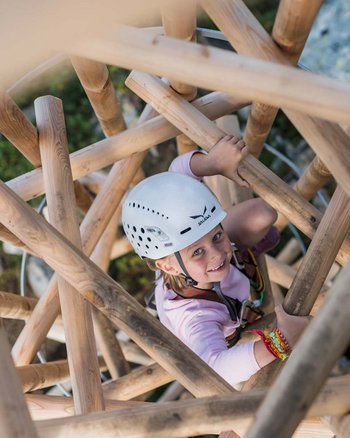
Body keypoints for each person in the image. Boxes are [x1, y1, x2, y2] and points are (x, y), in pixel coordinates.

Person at [122, 136, 310, 386]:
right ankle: (239, 253)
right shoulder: (195, 316)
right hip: (227, 317)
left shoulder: (184, 252)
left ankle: (229, 247)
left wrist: (213, 163)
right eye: (197, 252)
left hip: (210, 277)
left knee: (264, 214)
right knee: (234, 247)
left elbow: (178, 172)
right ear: (166, 266)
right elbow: (219, 369)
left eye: (217, 236)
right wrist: (281, 341)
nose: (217, 254)